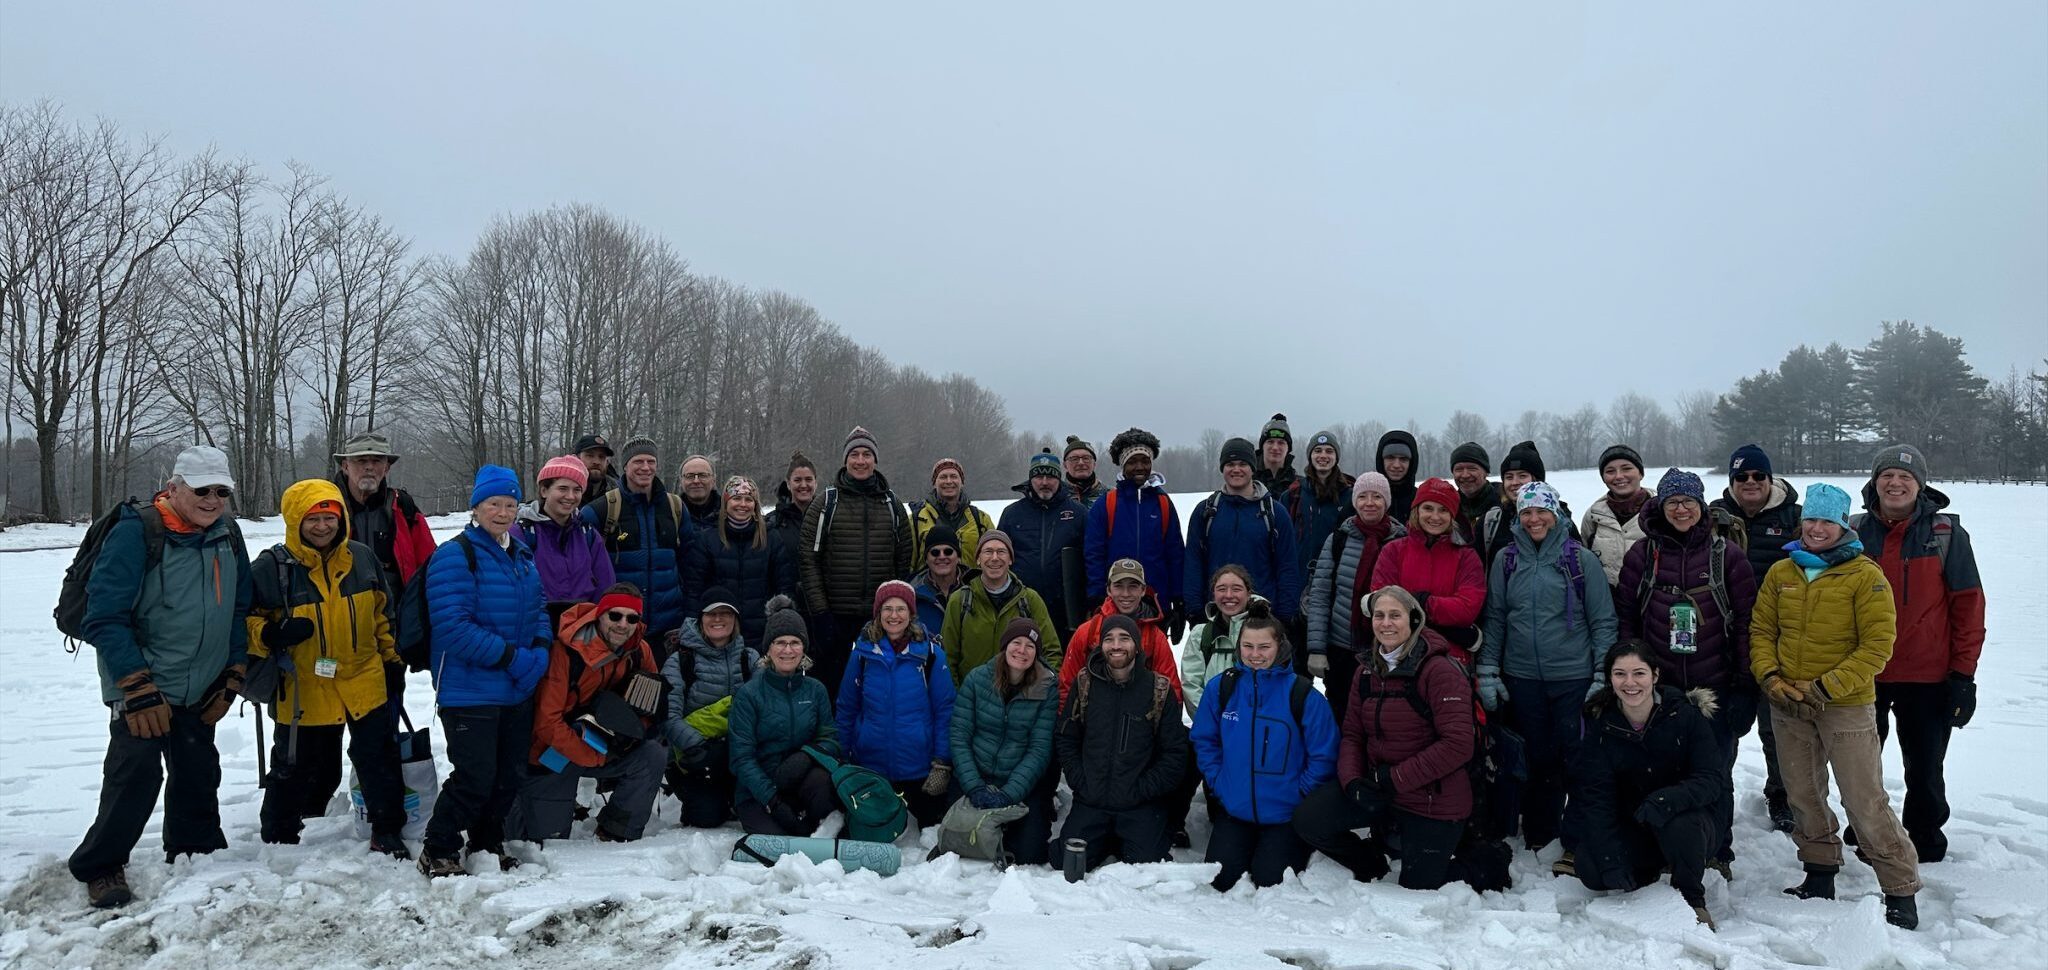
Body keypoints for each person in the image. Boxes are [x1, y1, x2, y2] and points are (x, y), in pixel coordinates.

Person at [68, 445, 252, 909]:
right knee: (134, 775)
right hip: (146, 682)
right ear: (174, 488)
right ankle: (102, 864)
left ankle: (196, 851)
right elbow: (104, 616)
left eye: (221, 491)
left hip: (203, 682)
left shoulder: (228, 534)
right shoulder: (138, 532)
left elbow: (238, 609)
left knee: (198, 771)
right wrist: (135, 686)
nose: (212, 500)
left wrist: (233, 671)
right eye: (201, 490)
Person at [1751, 482, 1920, 930]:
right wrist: (1770, 678)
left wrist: (1826, 688)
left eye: (1828, 521)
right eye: (1811, 520)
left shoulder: (1865, 576)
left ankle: (1899, 888)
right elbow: (1762, 632)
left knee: (1864, 799)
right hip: (1788, 702)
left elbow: (1878, 646)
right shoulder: (1782, 573)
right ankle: (1819, 872)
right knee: (1804, 794)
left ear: (1844, 525)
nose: (1817, 529)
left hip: (1844, 704)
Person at [1293, 586, 1491, 891]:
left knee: (1418, 887)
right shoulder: (1366, 670)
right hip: (1380, 787)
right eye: (1379, 615)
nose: (1386, 623)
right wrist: (1353, 781)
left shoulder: (1439, 670)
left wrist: (1395, 778)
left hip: (1431, 797)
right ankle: (1371, 863)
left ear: (1414, 619)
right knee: (1310, 819)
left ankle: (1484, 864)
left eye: (1395, 615)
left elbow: (1458, 744)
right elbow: (1353, 735)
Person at [249, 479, 407, 857]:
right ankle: (280, 836)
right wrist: (269, 632)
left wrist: (392, 660)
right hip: (304, 685)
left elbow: (382, 614)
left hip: (363, 678)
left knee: (379, 760)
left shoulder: (362, 557)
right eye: (313, 518)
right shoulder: (272, 567)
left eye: (330, 517)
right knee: (295, 766)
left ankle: (387, 829)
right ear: (294, 520)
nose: (323, 526)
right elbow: (242, 621)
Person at [1614, 469, 1758, 875]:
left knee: (1714, 772)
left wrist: (1745, 686)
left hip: (1716, 685)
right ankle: (1665, 844)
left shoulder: (1726, 555)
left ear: (1701, 506)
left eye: (1689, 501)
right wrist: (1628, 677)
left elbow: (1748, 623)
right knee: (1658, 769)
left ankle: (1716, 849)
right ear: (1660, 506)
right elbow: (1626, 617)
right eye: (1673, 502)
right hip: (1658, 689)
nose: (1681, 509)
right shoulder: (1642, 555)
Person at [417, 466, 552, 878]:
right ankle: (438, 847)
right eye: (494, 503)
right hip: (469, 690)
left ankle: (486, 844)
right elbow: (453, 626)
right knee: (475, 777)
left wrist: (540, 653)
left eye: (511, 504)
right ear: (476, 507)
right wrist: (514, 658)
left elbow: (540, 613)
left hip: (515, 689)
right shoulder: (455, 555)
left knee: (508, 776)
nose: (503, 512)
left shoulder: (522, 556)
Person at [1855, 444, 1986, 864]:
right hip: (1863, 674)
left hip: (1927, 676)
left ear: (1920, 485)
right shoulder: (1854, 532)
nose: (1895, 483)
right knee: (1860, 766)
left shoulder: (1947, 535)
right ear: (1875, 483)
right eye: (1887, 476)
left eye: (1905, 477)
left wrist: (1963, 677)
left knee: (1926, 768)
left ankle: (1925, 838)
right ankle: (1866, 831)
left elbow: (1968, 606)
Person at [1477, 481, 1616, 857]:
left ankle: (1579, 831)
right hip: (1521, 677)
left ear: (1555, 515)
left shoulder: (1579, 559)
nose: (1534, 519)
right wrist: (1488, 668)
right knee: (1535, 756)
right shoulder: (1507, 560)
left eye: (1541, 512)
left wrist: (1602, 675)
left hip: (1573, 676)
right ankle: (1540, 829)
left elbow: (1603, 620)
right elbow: (1496, 619)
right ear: (1518, 516)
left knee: (1576, 755)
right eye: (1527, 512)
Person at [1569, 642, 1728, 930]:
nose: (1630, 683)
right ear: (1610, 679)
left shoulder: (1685, 716)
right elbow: (1595, 798)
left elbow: (1711, 778)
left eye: (1639, 673)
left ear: (1655, 675)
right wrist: (1610, 860)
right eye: (1620, 674)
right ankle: (1652, 875)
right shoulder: (1602, 726)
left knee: (1682, 827)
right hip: (1636, 824)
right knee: (1591, 868)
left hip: (1691, 823)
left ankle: (1690, 898)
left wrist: (1667, 800)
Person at [511, 585, 667, 843]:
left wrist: (627, 737)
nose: (623, 624)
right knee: (544, 840)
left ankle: (617, 829)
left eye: (632, 618)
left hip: (605, 745)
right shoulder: (565, 651)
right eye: (615, 615)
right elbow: (547, 723)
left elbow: (650, 705)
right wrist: (593, 756)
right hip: (554, 751)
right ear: (599, 615)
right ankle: (513, 808)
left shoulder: (640, 650)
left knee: (653, 754)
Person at [1191, 615, 1338, 890]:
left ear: (1280, 646)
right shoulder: (1222, 688)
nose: (1255, 655)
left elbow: (1324, 754)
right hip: (1235, 809)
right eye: (1248, 646)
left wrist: (1301, 792)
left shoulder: (1303, 694)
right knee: (1221, 880)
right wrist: (1219, 781)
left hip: (1285, 814)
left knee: (1270, 880)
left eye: (1264, 647)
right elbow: (1204, 740)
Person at [1709, 443, 1801, 831]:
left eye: (1757, 476)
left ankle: (1782, 794)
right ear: (1731, 481)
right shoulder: (1713, 517)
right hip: (1722, 637)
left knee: (1777, 726)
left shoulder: (1794, 517)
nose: (1750, 483)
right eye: (1741, 477)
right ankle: (1714, 792)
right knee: (1721, 724)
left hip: (1778, 639)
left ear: (1769, 478)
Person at [1056, 614, 1190, 869]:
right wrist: (1081, 782)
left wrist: (1142, 790)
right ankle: (1106, 839)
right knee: (1065, 861)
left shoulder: (1157, 689)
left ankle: (1122, 839)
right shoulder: (1085, 683)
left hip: (1137, 804)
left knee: (1146, 864)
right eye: (1109, 639)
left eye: (1124, 638)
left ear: (1137, 645)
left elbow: (1175, 753)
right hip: (1092, 801)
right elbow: (1066, 739)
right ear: (1100, 645)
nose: (1116, 645)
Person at [799, 425, 914, 695]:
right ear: (845, 460)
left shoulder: (892, 504)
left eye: (866, 454)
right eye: (854, 454)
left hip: (879, 616)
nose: (860, 461)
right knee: (832, 685)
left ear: (875, 460)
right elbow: (808, 560)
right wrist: (821, 612)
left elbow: (903, 560)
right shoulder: (827, 503)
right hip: (835, 614)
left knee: (876, 686)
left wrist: (893, 608)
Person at [838, 580, 957, 826]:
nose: (894, 615)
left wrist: (942, 763)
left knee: (924, 840)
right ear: (878, 613)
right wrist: (842, 757)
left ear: (911, 614)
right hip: (872, 769)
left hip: (920, 772)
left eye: (901, 609)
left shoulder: (930, 655)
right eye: (887, 609)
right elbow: (847, 707)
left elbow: (945, 710)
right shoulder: (862, 654)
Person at [949, 618, 1062, 864]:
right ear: (1004, 646)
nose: (1022, 650)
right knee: (958, 838)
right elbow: (959, 736)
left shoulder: (1046, 688)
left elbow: (1039, 749)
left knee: (1028, 854)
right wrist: (974, 786)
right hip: (976, 775)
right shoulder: (978, 679)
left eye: (1030, 646)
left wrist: (1009, 793)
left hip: (1019, 782)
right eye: (1016, 642)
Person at [728, 603, 842, 836]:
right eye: (780, 642)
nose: (787, 650)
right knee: (777, 838)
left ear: (803, 649)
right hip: (759, 790)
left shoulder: (815, 690)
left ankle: (826, 829)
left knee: (822, 787)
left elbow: (830, 739)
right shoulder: (749, 694)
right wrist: (772, 801)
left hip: (801, 781)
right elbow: (741, 758)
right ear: (768, 649)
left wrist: (806, 756)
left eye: (794, 643)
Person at [1304, 472, 1404, 724]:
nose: (1369, 502)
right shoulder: (1338, 539)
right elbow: (1320, 594)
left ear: (1387, 502)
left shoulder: (1402, 541)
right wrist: (1316, 648)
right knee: (1342, 715)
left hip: (1386, 650)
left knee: (1381, 718)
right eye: (1363, 496)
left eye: (1377, 497)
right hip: (1342, 649)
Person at [661, 590, 761, 827]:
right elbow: (667, 715)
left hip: (739, 753)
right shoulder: (680, 660)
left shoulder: (750, 658)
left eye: (725, 613)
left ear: (735, 619)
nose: (718, 619)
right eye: (711, 613)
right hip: (696, 755)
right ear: (700, 618)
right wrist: (698, 747)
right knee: (706, 818)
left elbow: (764, 709)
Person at [1084, 426, 1188, 641]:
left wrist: (1178, 600)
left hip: (1156, 604)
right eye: (1132, 462)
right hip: (1115, 601)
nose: (1139, 467)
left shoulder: (1163, 504)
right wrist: (1096, 596)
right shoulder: (1107, 503)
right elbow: (1093, 553)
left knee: (1153, 662)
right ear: (1123, 465)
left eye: (1145, 461)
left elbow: (1175, 553)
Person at [580, 437, 689, 644]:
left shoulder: (675, 507)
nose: (645, 468)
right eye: (638, 462)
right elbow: (583, 570)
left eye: (651, 461)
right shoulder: (600, 509)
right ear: (625, 465)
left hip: (668, 628)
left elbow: (690, 565)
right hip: (618, 627)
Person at [1184, 437, 1301, 624]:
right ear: (1222, 468)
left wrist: (1284, 616)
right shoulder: (1205, 512)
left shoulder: (1274, 512)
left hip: (1263, 618)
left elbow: (1287, 566)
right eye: (1230, 464)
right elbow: (1193, 562)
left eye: (1242, 464)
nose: (1236, 469)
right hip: (1215, 615)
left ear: (1252, 468)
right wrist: (1194, 610)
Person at [1370, 477, 1487, 665]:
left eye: (1443, 510)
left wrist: (1421, 602)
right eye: (1428, 508)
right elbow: (1382, 602)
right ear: (1417, 510)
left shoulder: (1466, 557)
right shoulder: (1393, 551)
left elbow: (1467, 609)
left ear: (1452, 515)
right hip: (1399, 654)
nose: (1435, 517)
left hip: (1451, 657)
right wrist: (1429, 607)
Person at [683, 475, 797, 648]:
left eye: (748, 499)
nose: (743, 504)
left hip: (761, 631)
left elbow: (784, 586)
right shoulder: (708, 539)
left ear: (755, 505)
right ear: (726, 502)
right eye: (737, 498)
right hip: (719, 632)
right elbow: (694, 590)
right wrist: (692, 629)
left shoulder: (771, 537)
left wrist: (781, 623)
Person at [941, 530, 1063, 683]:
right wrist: (959, 698)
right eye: (988, 552)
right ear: (978, 559)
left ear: (1011, 559)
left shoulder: (1030, 600)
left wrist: (1039, 692)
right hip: (972, 700)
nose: (994, 558)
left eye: (1001, 552)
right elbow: (947, 657)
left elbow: (1051, 652)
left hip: (1020, 700)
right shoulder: (959, 600)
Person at [331, 429, 437, 605]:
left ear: (387, 467)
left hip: (398, 616)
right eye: (361, 460)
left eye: (377, 460)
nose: (369, 467)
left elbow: (430, 563)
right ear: (345, 466)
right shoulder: (327, 509)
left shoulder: (403, 506)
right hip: (341, 615)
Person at [1061, 558, 1184, 704]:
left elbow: (1172, 691)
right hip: (1095, 719)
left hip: (1140, 719)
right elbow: (1067, 686)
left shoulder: (1155, 637)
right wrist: (1068, 724)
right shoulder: (1087, 632)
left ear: (1143, 590)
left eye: (1133, 586)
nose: (1126, 594)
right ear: (1108, 590)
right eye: (1118, 586)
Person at [998, 448, 1090, 638]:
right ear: (1031, 479)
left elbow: (1090, 559)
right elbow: (999, 557)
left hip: (1067, 610)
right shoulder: (1012, 513)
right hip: (1022, 605)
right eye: (1039, 477)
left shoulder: (1078, 513)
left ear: (1060, 479)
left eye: (1051, 477)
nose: (1045, 482)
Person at [517, 455, 615, 620]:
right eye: (562, 488)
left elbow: (606, 585)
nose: (570, 496)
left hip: (584, 627)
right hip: (537, 626)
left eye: (577, 490)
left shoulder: (587, 534)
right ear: (544, 491)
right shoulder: (522, 533)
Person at [1180, 566, 1268, 715]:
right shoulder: (1201, 634)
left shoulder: (1268, 630)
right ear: (1213, 594)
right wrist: (1213, 721)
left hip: (1257, 726)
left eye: (1236, 589)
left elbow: (1277, 681)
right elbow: (1191, 685)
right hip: (1214, 727)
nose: (1228, 595)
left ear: (1249, 593)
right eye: (1221, 589)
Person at [1478, 441, 1579, 568]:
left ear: (1538, 480)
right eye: (1509, 477)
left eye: (1522, 476)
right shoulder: (1492, 521)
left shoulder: (1561, 520)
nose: (1515, 482)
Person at [1286, 430, 1356, 612]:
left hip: (1339, 583)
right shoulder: (1293, 495)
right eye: (1318, 450)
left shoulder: (1351, 496)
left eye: (1329, 451)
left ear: (1336, 457)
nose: (1323, 456)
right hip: (1299, 580)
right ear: (1310, 455)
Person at [1582, 445, 1650, 590]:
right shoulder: (1593, 516)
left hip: (1651, 605)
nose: (1619, 476)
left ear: (1640, 473)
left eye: (1626, 468)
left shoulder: (1660, 511)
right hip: (1606, 603)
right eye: (1610, 471)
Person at [911, 457, 996, 574]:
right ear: (934, 483)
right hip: (928, 589)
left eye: (954, 476)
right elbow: (908, 563)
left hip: (971, 589)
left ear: (962, 482)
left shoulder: (980, 519)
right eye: (943, 477)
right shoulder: (917, 519)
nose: (949, 481)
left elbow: (992, 558)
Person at [912, 526, 971, 636]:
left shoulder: (976, 588)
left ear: (958, 557)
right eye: (935, 552)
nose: (942, 556)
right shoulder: (911, 593)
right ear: (926, 559)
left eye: (948, 551)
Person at [765, 453, 818, 561]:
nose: (803, 485)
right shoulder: (772, 523)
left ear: (816, 483)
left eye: (808, 479)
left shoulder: (828, 519)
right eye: (797, 480)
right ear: (788, 484)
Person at [1446, 441, 1500, 546]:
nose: (1465, 475)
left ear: (1486, 472)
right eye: (1459, 469)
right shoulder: (1448, 507)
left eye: (1472, 468)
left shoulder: (1503, 503)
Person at [1375, 429, 1422, 524]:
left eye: (1403, 459)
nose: (1396, 465)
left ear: (1412, 463)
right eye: (1390, 458)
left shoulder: (1421, 500)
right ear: (1381, 461)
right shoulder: (1367, 500)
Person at [1253, 412, 1298, 493]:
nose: (1275, 448)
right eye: (1270, 442)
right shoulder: (1248, 480)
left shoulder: (1298, 485)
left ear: (1288, 448)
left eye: (1281, 443)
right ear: (1262, 446)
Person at [676, 455, 722, 534]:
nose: (696, 481)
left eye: (702, 475)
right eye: (689, 476)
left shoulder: (729, 514)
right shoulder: (672, 514)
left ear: (713, 480)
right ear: (681, 481)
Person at [1062, 435, 1110, 507]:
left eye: (1086, 458)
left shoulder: (1110, 495)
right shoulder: (1055, 494)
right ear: (1065, 465)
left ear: (1094, 464)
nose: (1081, 463)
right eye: (1074, 458)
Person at [572, 433, 618, 506]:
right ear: (576, 459)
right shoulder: (562, 489)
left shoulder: (618, 493)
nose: (596, 462)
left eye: (601, 457)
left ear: (607, 462)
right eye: (590, 456)